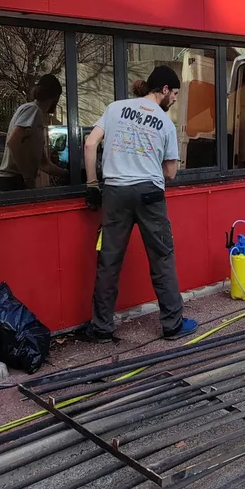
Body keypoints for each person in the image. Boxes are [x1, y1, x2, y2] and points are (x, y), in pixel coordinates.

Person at [82, 65, 198, 343]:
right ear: (165, 89)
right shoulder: (165, 124)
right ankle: (172, 325)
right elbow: (170, 173)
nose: (175, 99)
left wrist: (92, 185)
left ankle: (101, 328)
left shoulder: (115, 108)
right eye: (175, 93)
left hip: (115, 192)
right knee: (162, 258)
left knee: (109, 261)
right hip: (150, 195)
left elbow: (90, 144)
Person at [0, 74, 69, 191]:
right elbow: (12, 143)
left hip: (20, 181)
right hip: (12, 180)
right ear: (55, 96)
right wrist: (26, 175)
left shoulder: (39, 117)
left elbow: (43, 164)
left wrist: (66, 174)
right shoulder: (32, 110)